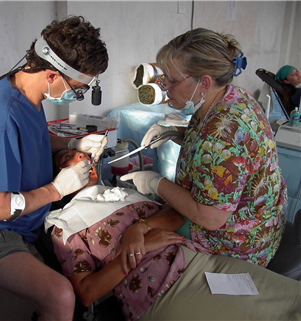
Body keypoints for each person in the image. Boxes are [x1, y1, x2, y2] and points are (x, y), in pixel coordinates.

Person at [0, 16, 108, 321]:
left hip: (22, 220)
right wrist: (58, 189)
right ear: (51, 75)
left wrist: (69, 147)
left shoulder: (26, 90)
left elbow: (33, 133)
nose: (77, 94)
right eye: (77, 88)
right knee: (60, 295)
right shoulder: (0, 117)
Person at [47, 150, 300, 321]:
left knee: (293, 300)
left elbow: (178, 215)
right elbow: (87, 292)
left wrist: (141, 226)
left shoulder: (123, 192)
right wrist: (142, 247)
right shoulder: (64, 224)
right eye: (69, 157)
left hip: (204, 261)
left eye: (83, 153)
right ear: (58, 175)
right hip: (161, 291)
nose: (82, 156)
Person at [121, 28, 288, 268]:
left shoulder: (226, 129)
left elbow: (210, 218)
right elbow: (212, 150)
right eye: (163, 76)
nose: (164, 85)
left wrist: (155, 182)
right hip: (261, 220)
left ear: (204, 82)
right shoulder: (229, 96)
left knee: (142, 252)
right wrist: (175, 134)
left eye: (172, 80)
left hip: (240, 241)